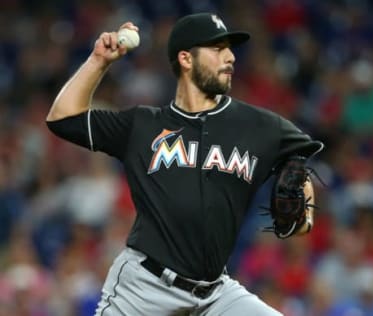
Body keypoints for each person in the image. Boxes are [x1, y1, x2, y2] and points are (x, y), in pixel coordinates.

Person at [46, 12, 323, 315]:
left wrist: (304, 219)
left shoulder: (260, 126)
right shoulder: (141, 125)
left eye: (230, 49)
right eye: (217, 49)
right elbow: (63, 118)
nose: (230, 57)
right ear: (186, 59)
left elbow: (298, 165)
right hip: (144, 288)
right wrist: (99, 61)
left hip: (216, 294)